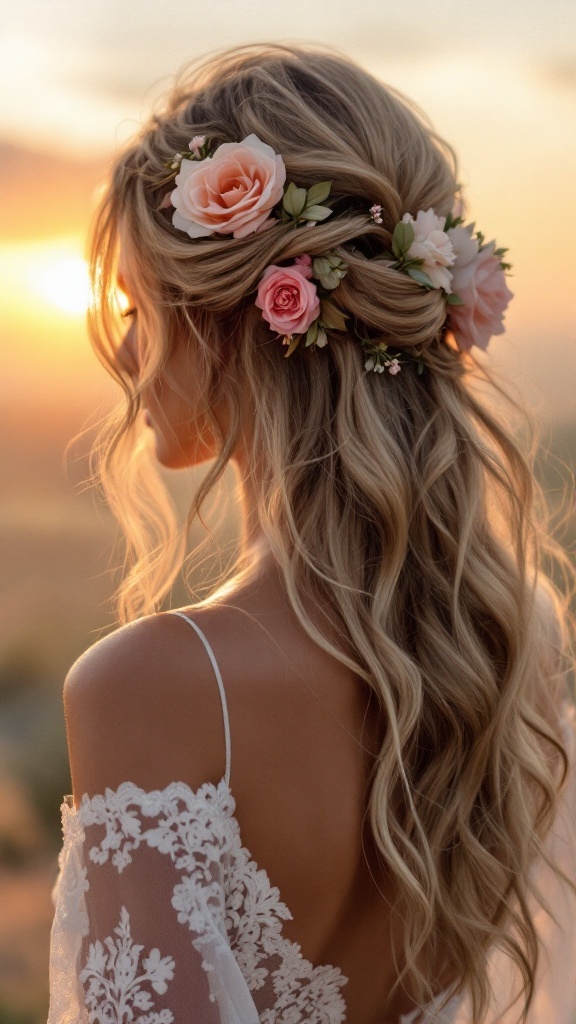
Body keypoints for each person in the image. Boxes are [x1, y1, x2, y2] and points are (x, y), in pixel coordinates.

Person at [47, 43, 576, 1024]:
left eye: (136, 306)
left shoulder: (149, 686)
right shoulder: (516, 630)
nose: (123, 349)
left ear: (228, 327)